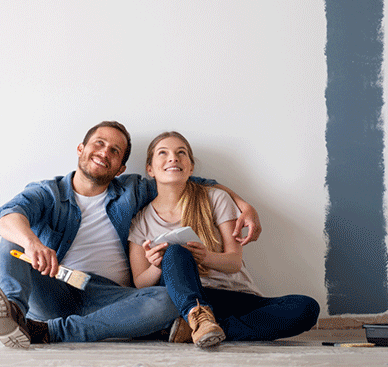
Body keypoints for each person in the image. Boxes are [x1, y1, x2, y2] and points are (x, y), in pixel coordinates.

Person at [0, 121, 262, 348]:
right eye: (99, 143)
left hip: (113, 297)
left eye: (115, 151)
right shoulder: (48, 192)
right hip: (56, 286)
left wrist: (243, 204)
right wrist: (33, 243)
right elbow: (6, 215)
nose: (104, 152)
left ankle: (51, 333)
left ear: (121, 167)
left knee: (169, 299)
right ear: (81, 148)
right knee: (14, 234)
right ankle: (11, 314)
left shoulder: (133, 189)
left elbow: (189, 179)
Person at [128, 131, 319, 348]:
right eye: (163, 153)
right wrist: (157, 266)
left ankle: (203, 330)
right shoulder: (141, 220)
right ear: (150, 169)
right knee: (175, 251)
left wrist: (206, 257)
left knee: (306, 307)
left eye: (181, 153)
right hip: (189, 297)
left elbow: (234, 262)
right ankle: (199, 318)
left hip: (232, 295)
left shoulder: (215, 198)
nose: (173, 158)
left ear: (191, 167)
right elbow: (139, 282)